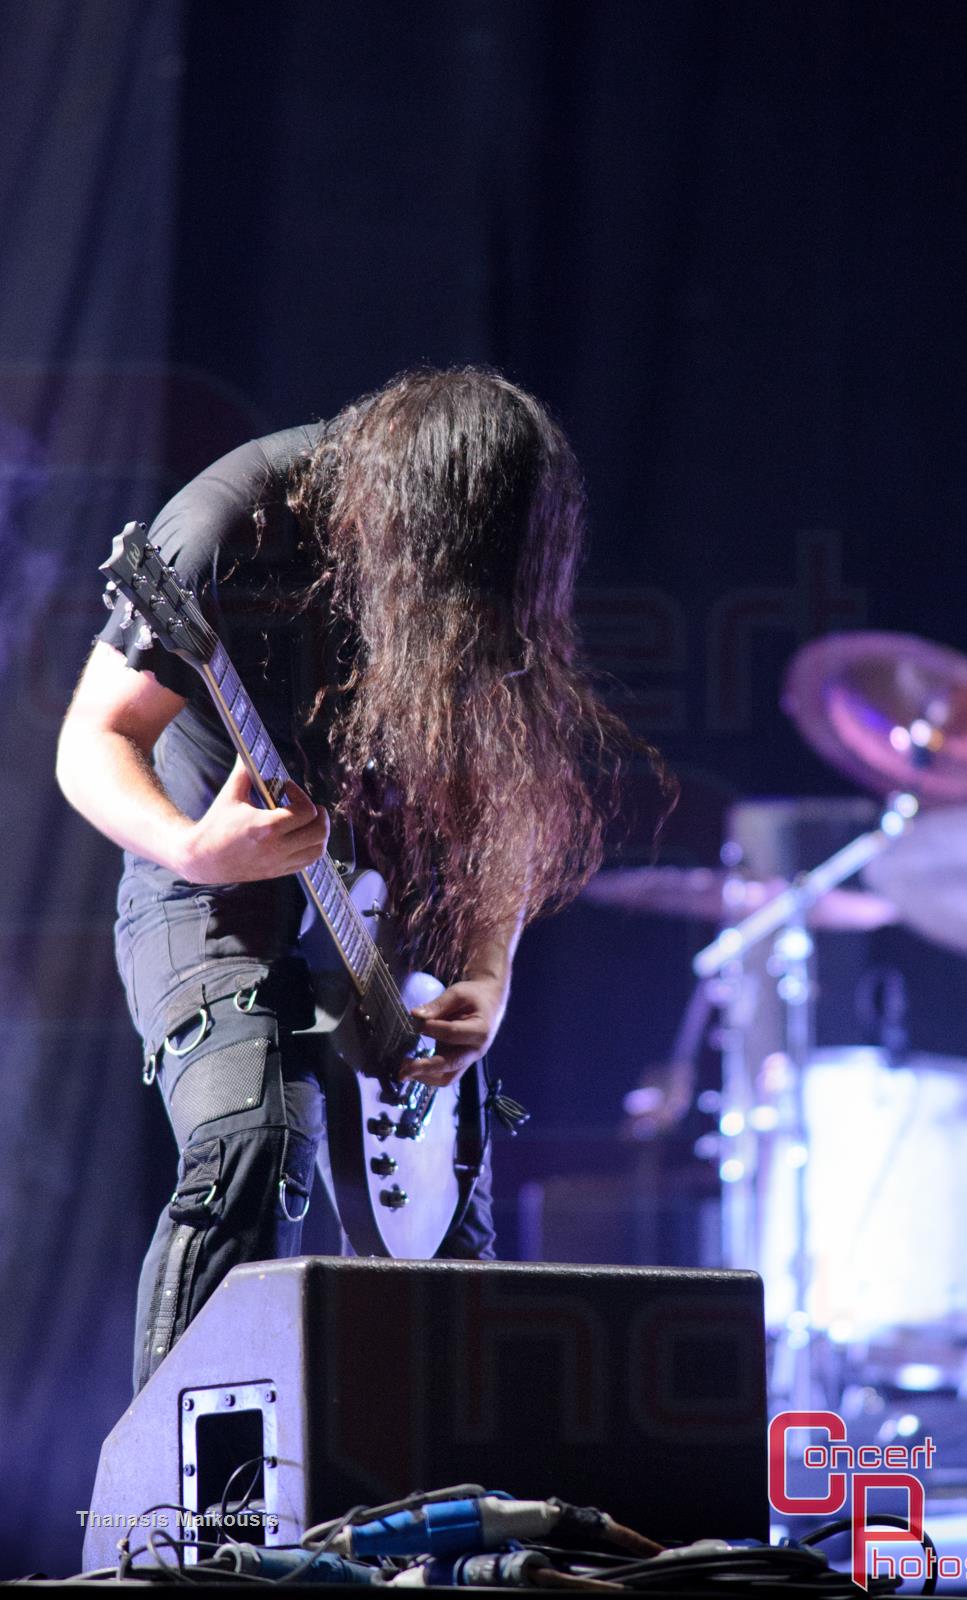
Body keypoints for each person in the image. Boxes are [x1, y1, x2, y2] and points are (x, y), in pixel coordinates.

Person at [56, 367, 665, 1392]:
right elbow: (93, 741)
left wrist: (490, 966)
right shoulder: (226, 525)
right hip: (211, 878)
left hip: (381, 905)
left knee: (443, 1230)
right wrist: (196, 847)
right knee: (254, 1139)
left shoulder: (487, 576)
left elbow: (504, 791)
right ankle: (178, 1481)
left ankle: (437, 1471)